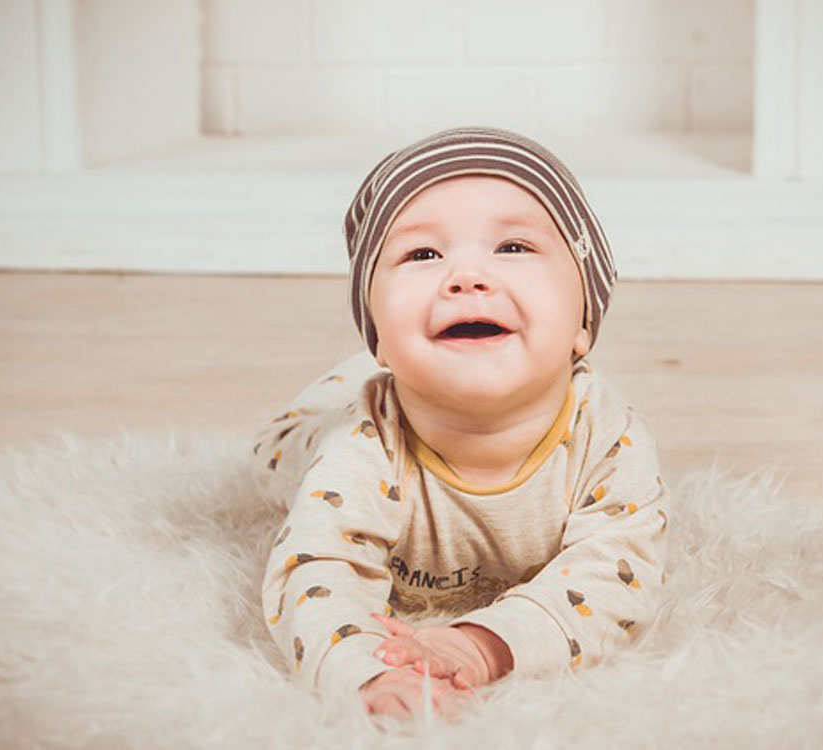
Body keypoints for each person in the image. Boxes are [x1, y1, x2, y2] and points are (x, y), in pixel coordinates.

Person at [254, 126, 669, 720]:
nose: (467, 278)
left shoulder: (610, 435)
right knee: (296, 446)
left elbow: (616, 576)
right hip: (311, 436)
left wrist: (483, 642)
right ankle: (348, 380)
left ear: (584, 322)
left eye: (513, 248)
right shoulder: (361, 443)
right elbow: (318, 570)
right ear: (379, 337)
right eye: (423, 255)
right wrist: (364, 671)